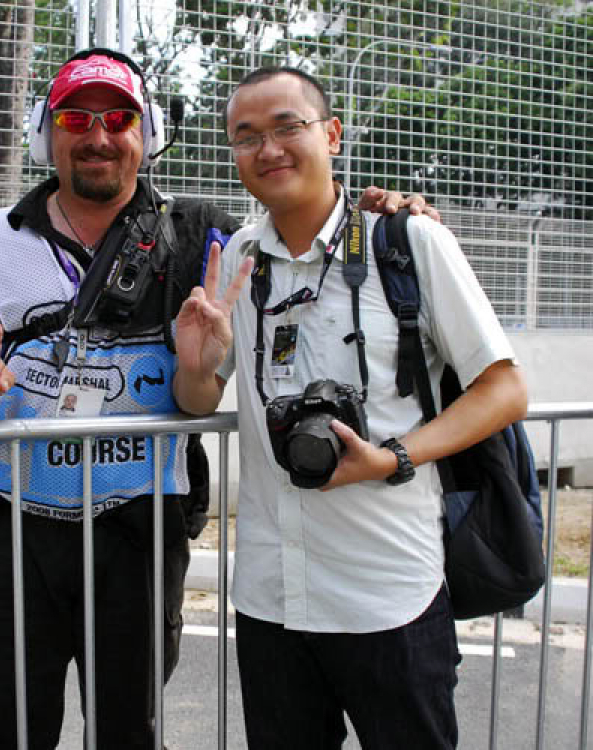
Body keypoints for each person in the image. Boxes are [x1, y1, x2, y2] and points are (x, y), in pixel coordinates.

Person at [0, 46, 437, 749]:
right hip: (13, 533)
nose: (98, 136)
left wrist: (380, 212)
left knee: (130, 729)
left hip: (139, 533)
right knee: (3, 728)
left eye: (119, 118)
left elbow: (303, 232)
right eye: (77, 117)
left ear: (146, 135)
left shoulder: (202, 235)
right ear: (48, 133)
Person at [172, 66, 528, 750]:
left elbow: (504, 387)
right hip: (271, 598)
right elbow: (199, 402)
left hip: (388, 592)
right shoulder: (238, 261)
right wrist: (198, 365)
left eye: (287, 127)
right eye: (246, 136)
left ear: (331, 134)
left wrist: (392, 457)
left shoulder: (408, 243)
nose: (268, 148)